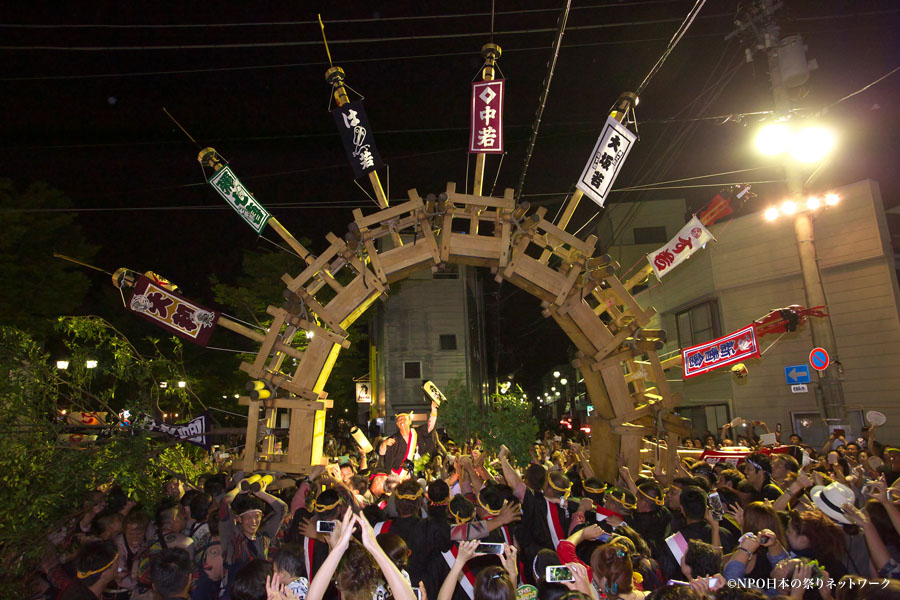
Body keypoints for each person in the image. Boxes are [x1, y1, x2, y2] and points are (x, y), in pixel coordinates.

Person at [217, 475, 288, 590]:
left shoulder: (263, 537)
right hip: (234, 594)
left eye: (257, 516)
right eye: (248, 517)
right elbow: (224, 504)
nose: (253, 521)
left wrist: (260, 493)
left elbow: (282, 509)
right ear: (239, 519)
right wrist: (237, 489)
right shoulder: (232, 538)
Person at [379, 406, 440, 476]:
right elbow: (381, 453)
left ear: (410, 421)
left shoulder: (417, 433)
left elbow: (429, 427)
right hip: (398, 477)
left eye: (404, 419)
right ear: (397, 424)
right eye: (399, 419)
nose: (401, 421)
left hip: (417, 474)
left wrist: (434, 411)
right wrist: (384, 444)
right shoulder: (393, 439)